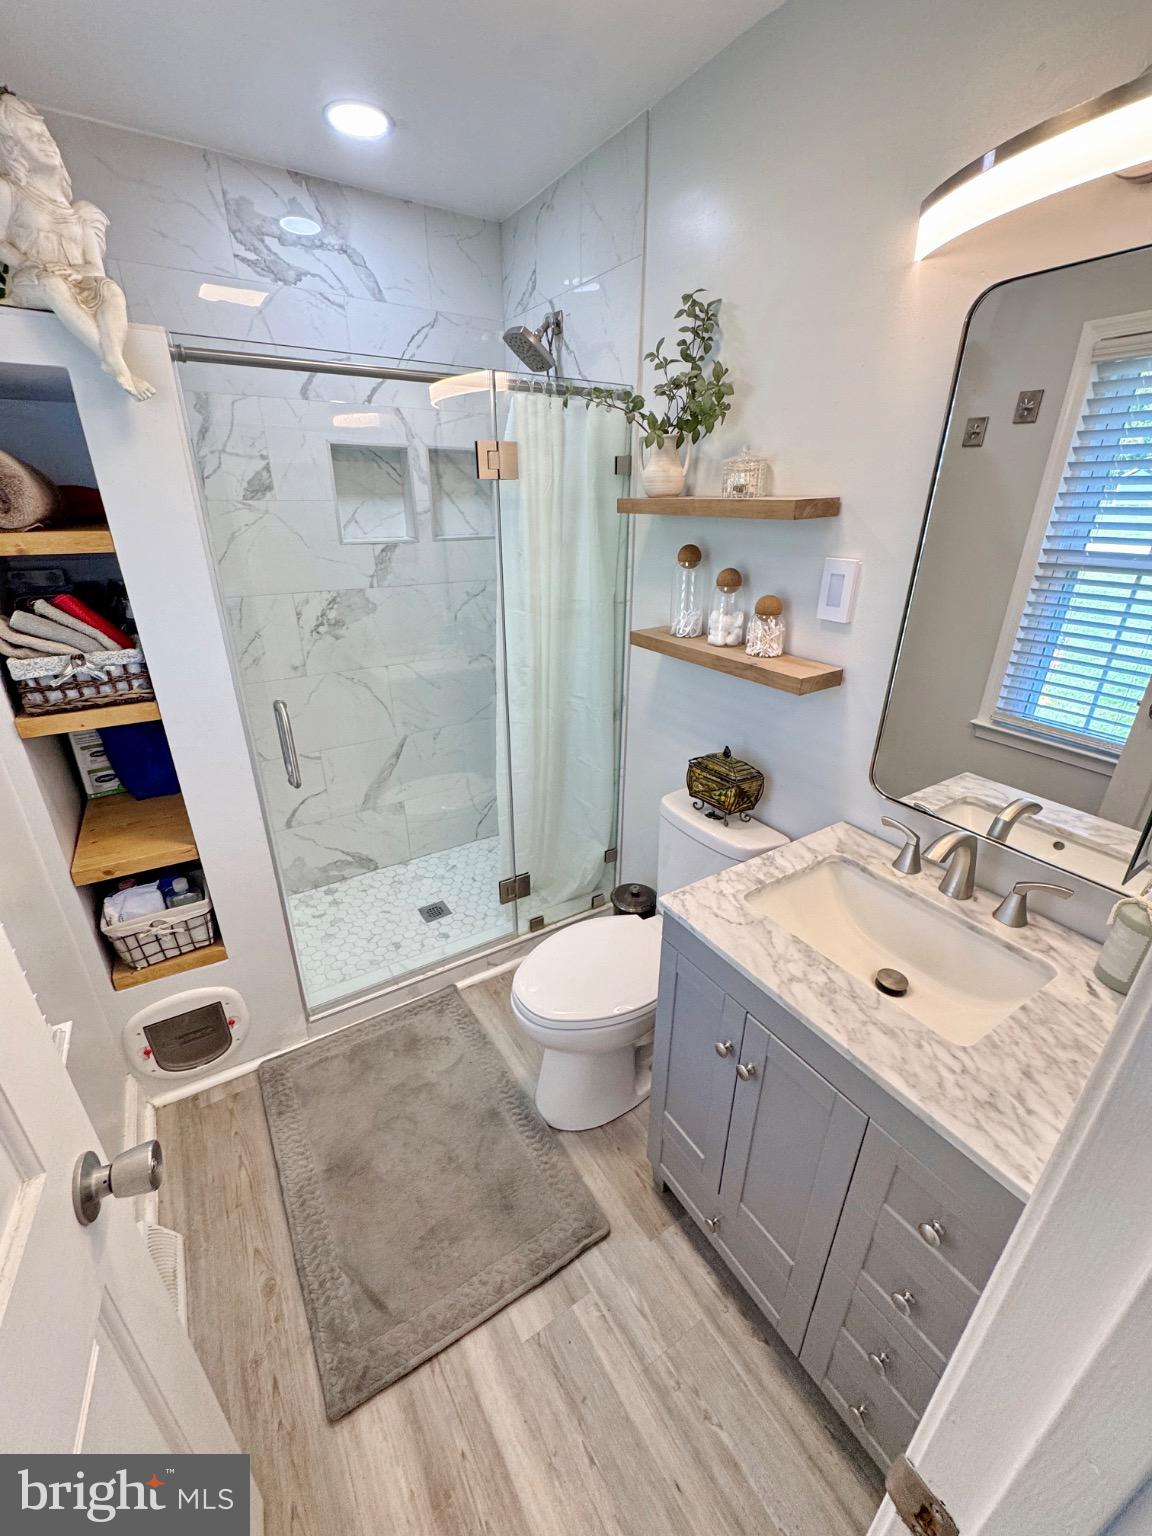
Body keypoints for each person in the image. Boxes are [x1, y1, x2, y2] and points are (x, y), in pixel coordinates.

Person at [0, 88, 153, 400]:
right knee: (52, 284)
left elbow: (94, 268)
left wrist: (73, 273)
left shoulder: (83, 212)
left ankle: (113, 358)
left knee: (109, 289)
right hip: (31, 281)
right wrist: (28, 263)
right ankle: (116, 362)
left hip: (74, 281)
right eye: (30, 134)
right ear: (12, 146)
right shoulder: (8, 191)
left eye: (44, 132)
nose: (45, 140)